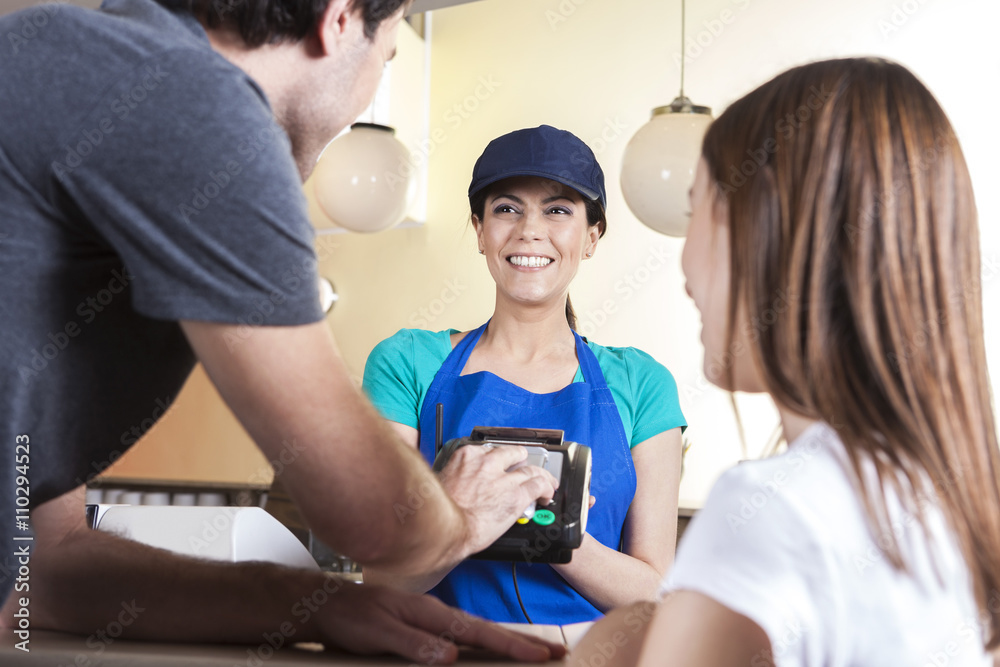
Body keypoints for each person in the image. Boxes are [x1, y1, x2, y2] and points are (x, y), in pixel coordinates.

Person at [0, 0, 565, 661]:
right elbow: (376, 520)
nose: (368, 93)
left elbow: (50, 563)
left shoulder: (87, 59)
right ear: (341, 19)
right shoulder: (195, 104)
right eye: (386, 57)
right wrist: (458, 517)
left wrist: (315, 602)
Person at [570, 58, 1000, 665]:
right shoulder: (959, 495)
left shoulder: (773, 509)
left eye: (700, 211)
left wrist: (606, 646)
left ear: (775, 236)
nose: (686, 263)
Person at [362, 125, 687, 624]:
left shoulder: (643, 382)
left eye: (557, 210)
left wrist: (551, 528)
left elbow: (654, 593)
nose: (529, 230)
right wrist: (465, 520)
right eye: (507, 208)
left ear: (591, 236)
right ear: (479, 230)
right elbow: (382, 578)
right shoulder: (407, 362)